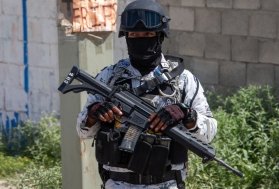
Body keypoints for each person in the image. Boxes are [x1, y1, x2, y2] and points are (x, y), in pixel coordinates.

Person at [76, 0, 217, 188]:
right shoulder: (109, 77)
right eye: (134, 35)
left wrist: (187, 115)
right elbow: (82, 131)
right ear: (125, 37)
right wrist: (95, 112)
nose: (140, 40)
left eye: (148, 34)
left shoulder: (182, 80)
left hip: (167, 183)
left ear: (160, 37)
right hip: (118, 184)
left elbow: (209, 133)